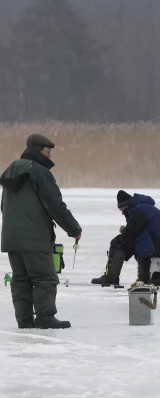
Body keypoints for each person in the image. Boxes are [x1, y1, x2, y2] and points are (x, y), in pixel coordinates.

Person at [0, 134, 82, 329]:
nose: (50, 156)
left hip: (12, 237)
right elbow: (55, 205)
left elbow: (4, 205)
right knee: (45, 277)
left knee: (21, 279)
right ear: (39, 150)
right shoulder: (39, 172)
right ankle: (45, 318)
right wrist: (74, 229)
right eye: (48, 151)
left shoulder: (11, 171)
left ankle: (24, 319)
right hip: (34, 237)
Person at [91, 190, 160, 286]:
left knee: (119, 242)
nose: (122, 213)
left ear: (126, 206)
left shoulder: (139, 210)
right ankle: (143, 277)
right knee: (139, 239)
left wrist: (123, 230)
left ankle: (112, 276)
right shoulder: (143, 206)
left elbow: (131, 232)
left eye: (122, 210)